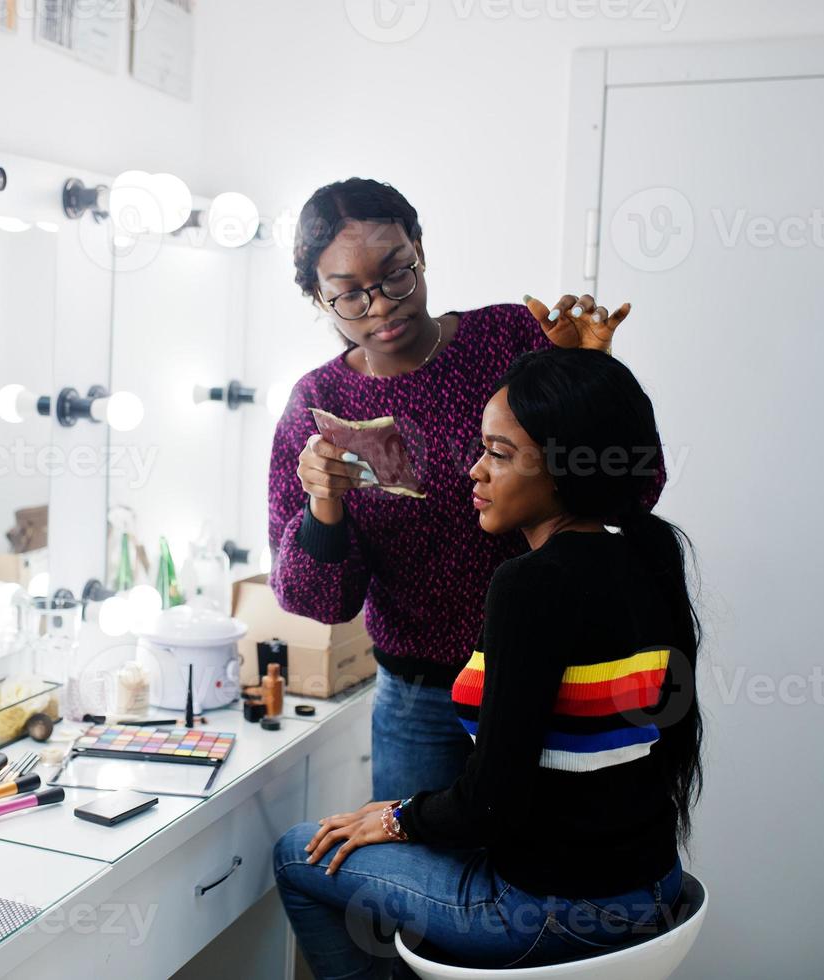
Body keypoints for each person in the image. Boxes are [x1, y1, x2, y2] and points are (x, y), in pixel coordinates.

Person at [273, 347, 702, 975]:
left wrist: (397, 816)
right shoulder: (647, 554)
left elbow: (491, 803)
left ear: (564, 467)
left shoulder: (530, 583)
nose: (473, 471)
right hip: (653, 889)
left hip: (544, 911)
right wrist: (407, 814)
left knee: (295, 854)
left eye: (498, 455)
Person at [267, 177, 658, 804]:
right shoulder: (318, 405)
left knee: (541, 876)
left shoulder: (509, 339)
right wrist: (324, 506)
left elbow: (636, 491)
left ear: (420, 248)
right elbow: (322, 603)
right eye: (349, 296)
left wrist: (592, 378)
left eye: (397, 275)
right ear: (318, 297)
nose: (382, 306)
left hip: (554, 672)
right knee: (416, 880)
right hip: (421, 700)